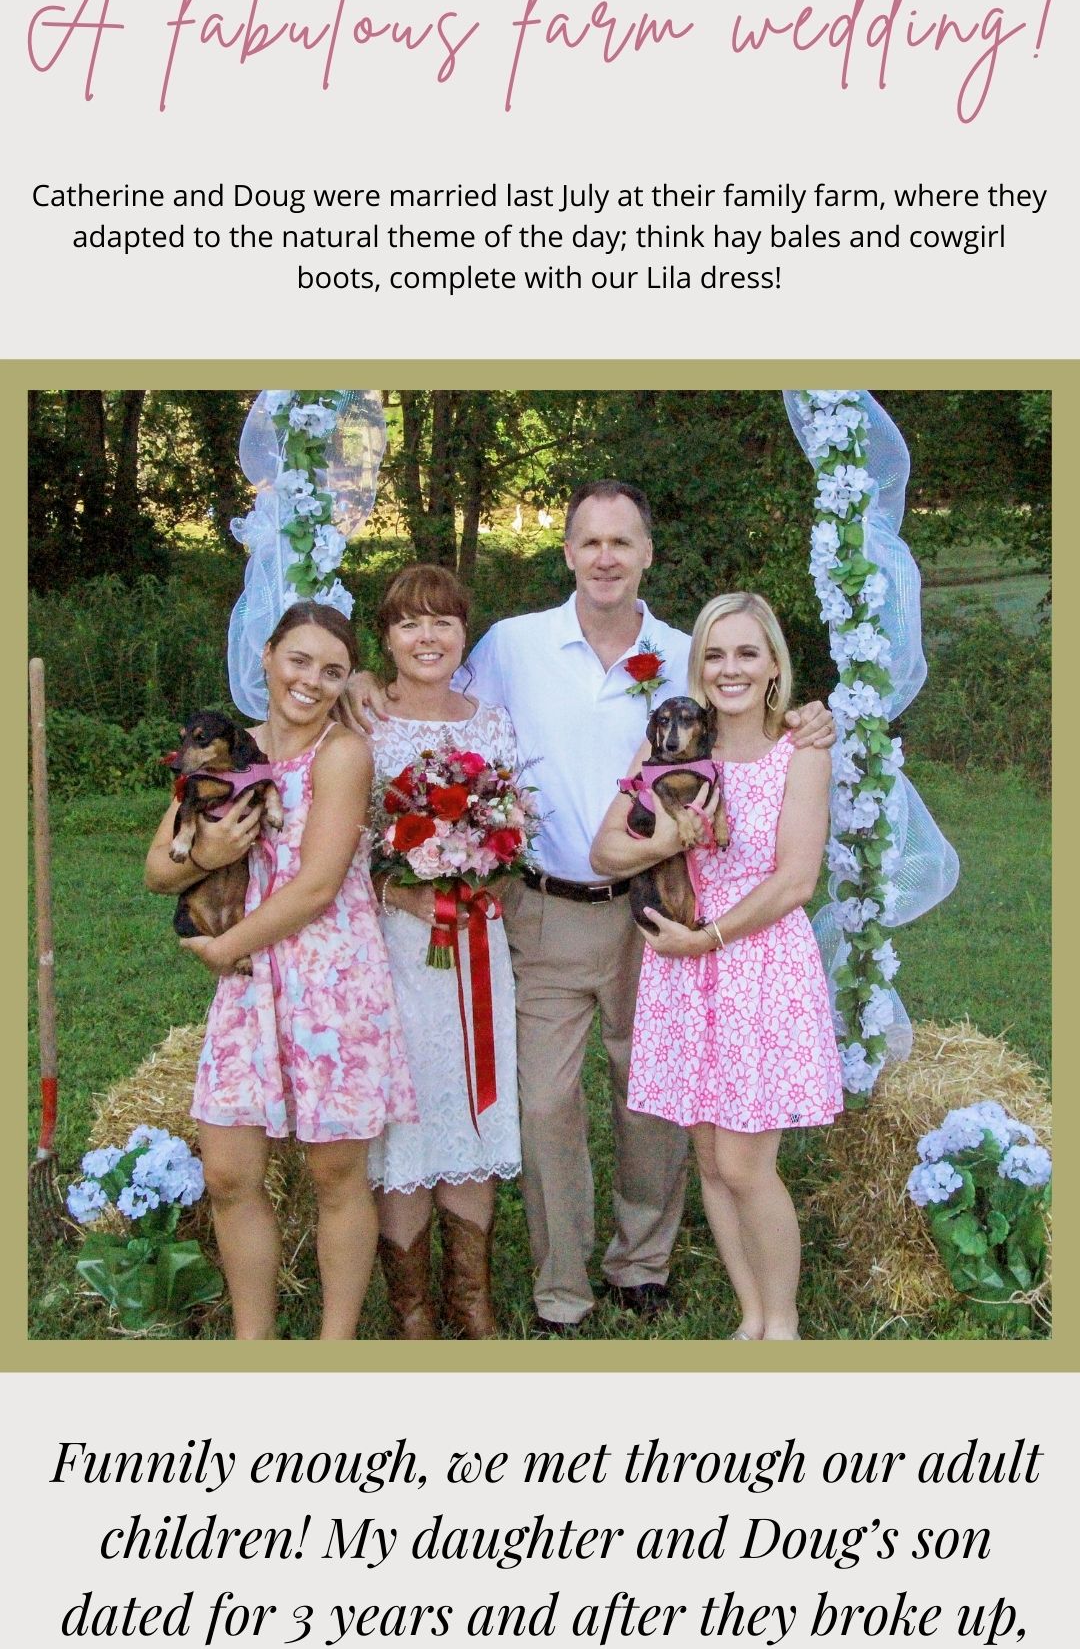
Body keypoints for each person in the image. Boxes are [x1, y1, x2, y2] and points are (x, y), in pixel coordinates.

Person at [346, 481, 833, 1335]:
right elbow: (425, 689)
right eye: (590, 542)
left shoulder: (685, 655)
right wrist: (359, 684)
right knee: (545, 1105)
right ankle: (560, 1285)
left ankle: (640, 1263)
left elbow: (750, 713)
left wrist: (805, 717)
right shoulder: (511, 646)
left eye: (624, 542)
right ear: (566, 553)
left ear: (647, 553)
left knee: (650, 1099)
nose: (606, 557)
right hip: (544, 907)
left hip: (666, 910)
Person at [145, 602, 417, 1341]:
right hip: (248, 989)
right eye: (298, 661)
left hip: (330, 981)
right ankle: (253, 1344)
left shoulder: (342, 754)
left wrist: (226, 947)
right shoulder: (226, 750)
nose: (312, 681)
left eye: (332, 670)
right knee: (230, 1173)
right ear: (265, 656)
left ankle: (333, 1347)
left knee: (335, 1176)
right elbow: (155, 870)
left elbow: (318, 884)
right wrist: (203, 855)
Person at [592, 592, 844, 1341]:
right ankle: (751, 1318)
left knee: (744, 1163)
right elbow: (606, 851)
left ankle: (785, 1327)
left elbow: (796, 880)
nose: (729, 669)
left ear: (774, 666)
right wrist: (668, 842)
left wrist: (711, 939)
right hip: (682, 967)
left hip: (754, 962)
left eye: (746, 653)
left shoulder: (801, 749)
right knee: (707, 1155)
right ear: (696, 665)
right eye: (714, 654)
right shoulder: (670, 747)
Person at [366, 564, 521, 1341]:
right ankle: (413, 1313)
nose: (427, 637)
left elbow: (511, 821)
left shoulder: (491, 722)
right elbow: (341, 846)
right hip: (394, 945)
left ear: (464, 633)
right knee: (410, 1115)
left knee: (471, 1103)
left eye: (443, 622)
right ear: (387, 638)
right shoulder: (364, 723)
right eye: (409, 623)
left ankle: (472, 1304)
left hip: (476, 943)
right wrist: (405, 890)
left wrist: (485, 857)